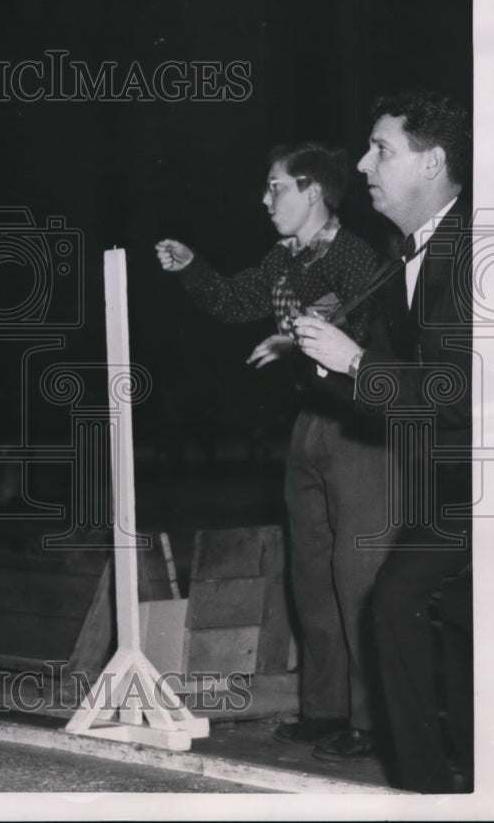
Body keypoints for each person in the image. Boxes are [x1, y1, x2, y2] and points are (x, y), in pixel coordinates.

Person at [156, 142, 391, 761]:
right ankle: (325, 709)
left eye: (275, 188)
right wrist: (190, 267)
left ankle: (373, 720)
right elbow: (235, 301)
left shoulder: (354, 256)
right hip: (308, 427)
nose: (265, 201)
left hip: (360, 431)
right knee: (311, 577)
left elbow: (355, 324)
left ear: (312, 190)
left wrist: (291, 339)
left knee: (355, 577)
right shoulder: (284, 258)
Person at [294, 90, 473, 791]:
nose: (364, 163)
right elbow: (414, 393)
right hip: (454, 490)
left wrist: (354, 363)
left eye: (382, 150)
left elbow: (454, 393)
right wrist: (324, 362)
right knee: (441, 619)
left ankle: (433, 789)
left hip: (476, 489)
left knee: (400, 603)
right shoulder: (419, 250)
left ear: (431, 163)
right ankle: (457, 783)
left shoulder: (469, 252)